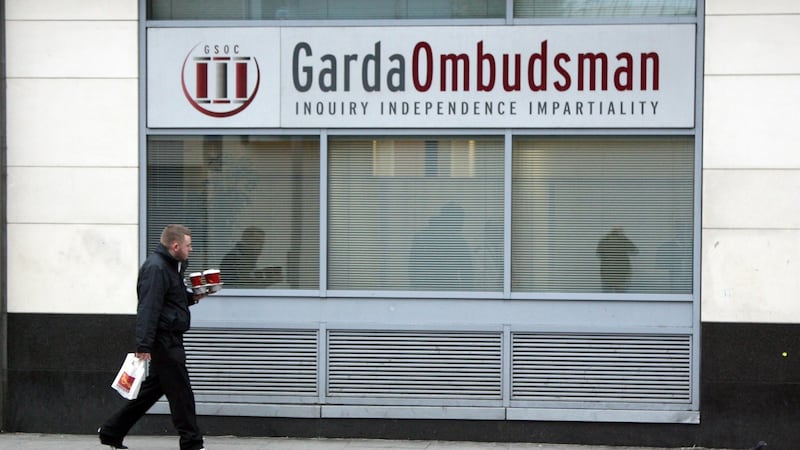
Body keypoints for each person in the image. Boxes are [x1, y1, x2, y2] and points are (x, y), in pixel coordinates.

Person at [99, 224, 206, 450]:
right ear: (175, 246)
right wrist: (144, 345)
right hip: (163, 339)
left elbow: (171, 299)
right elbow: (148, 308)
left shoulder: (171, 266)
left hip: (169, 337)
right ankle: (192, 443)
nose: (191, 249)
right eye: (188, 245)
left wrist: (194, 297)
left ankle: (112, 431)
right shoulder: (156, 268)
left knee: (152, 391)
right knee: (181, 393)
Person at [409, 203, 473, 290]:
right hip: (439, 289)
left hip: (433, 289)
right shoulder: (459, 242)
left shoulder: (421, 237)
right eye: (459, 220)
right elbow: (467, 271)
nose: (461, 224)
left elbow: (467, 271)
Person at [596, 225, 639, 293]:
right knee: (620, 291)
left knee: (608, 291)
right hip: (621, 269)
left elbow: (599, 253)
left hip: (607, 269)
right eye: (621, 231)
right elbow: (634, 250)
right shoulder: (623, 240)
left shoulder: (604, 240)